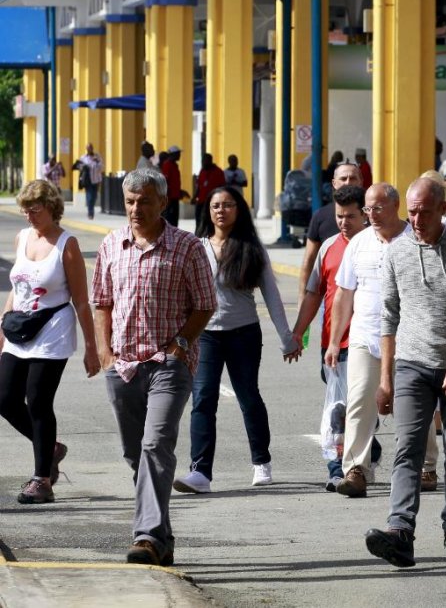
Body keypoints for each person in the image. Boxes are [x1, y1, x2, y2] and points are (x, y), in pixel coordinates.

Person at [91, 169, 217, 567]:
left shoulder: (188, 247)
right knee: (136, 453)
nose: (135, 209)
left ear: (163, 202)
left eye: (144, 201)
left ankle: (146, 537)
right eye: (130, 201)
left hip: (168, 363)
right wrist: (104, 352)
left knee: (154, 445)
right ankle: (161, 536)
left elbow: (205, 303)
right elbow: (102, 302)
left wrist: (182, 343)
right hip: (123, 365)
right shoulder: (112, 244)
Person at [364, 178, 446, 567]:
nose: (416, 219)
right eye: (412, 211)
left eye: (423, 211)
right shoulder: (398, 251)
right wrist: (385, 379)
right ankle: (400, 531)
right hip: (411, 365)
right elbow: (389, 317)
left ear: (443, 208)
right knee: (408, 447)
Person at [173, 187, 301, 495]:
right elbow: (181, 295)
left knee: (248, 396)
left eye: (228, 205)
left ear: (238, 210)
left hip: (244, 332)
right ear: (208, 211)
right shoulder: (196, 246)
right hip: (205, 336)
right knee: (203, 399)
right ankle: (200, 472)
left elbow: (271, 294)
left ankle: (261, 461)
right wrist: (177, 336)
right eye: (215, 205)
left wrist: (287, 338)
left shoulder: (251, 248)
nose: (221, 210)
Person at [0, 180, 100, 505]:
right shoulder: (22, 238)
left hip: (53, 329)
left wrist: (92, 349)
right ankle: (52, 449)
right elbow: (18, 288)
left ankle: (42, 479)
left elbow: (82, 302)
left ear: (51, 208)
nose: (29, 215)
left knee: (38, 400)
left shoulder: (66, 245)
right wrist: (2, 327)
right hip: (20, 329)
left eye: (35, 209)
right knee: (5, 398)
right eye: (25, 209)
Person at [324, 183, 409, 498]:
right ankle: (356, 470)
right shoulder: (359, 244)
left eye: (378, 208)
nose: (372, 215)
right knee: (358, 401)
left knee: (413, 404)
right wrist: (335, 341)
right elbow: (344, 294)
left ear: (395, 206)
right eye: (368, 209)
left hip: (408, 338)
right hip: (364, 336)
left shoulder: (414, 240)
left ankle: (424, 465)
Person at [293, 185, 367, 491]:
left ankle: (361, 456)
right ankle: (337, 468)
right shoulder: (329, 247)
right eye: (339, 216)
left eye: (350, 215)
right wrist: (298, 331)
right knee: (338, 410)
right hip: (334, 343)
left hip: (369, 342)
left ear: (364, 213)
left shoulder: (376, 245)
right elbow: (314, 294)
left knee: (362, 410)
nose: (344, 222)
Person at [298, 163, 363, 297]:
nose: (348, 182)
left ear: (361, 182)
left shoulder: (373, 215)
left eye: (353, 178)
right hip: (329, 299)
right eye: (343, 178)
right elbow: (309, 261)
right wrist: (302, 300)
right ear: (334, 183)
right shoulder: (320, 216)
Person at [192, 153, 226, 233]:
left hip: (212, 202)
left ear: (210, 161)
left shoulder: (218, 171)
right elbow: (199, 186)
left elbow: (222, 187)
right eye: (202, 161)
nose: (203, 163)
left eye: (204, 161)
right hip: (201, 201)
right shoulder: (202, 171)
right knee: (199, 220)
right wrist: (194, 197)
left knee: (210, 221)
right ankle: (198, 235)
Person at [160, 146, 190, 227]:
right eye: (178, 153)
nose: (179, 155)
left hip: (175, 198)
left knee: (174, 221)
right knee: (170, 221)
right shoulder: (167, 165)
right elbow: (165, 182)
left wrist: (180, 191)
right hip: (170, 200)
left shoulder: (175, 165)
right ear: (173, 154)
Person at [76, 143, 103, 219]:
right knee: (90, 196)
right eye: (87, 148)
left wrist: (97, 161)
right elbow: (78, 166)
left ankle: (90, 208)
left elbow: (101, 167)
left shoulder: (97, 156)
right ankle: (90, 213)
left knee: (94, 197)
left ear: (92, 148)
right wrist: (83, 167)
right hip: (87, 180)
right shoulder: (83, 157)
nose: (89, 149)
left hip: (96, 179)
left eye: (90, 148)